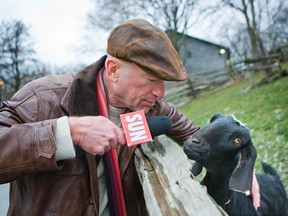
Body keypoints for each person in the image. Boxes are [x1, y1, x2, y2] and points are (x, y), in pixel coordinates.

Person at [0, 18, 259, 216]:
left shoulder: (152, 106)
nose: (160, 92)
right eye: (152, 80)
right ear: (113, 70)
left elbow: (200, 138)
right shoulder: (40, 99)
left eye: (164, 82)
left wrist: (242, 169)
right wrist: (68, 132)